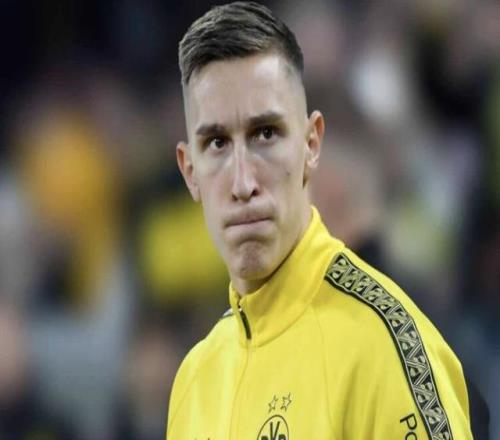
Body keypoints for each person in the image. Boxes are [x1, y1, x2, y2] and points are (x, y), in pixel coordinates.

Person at [166, 2, 478, 438]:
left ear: (311, 145)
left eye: (265, 134)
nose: (243, 182)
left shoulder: (383, 344)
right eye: (217, 143)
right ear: (190, 171)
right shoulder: (194, 381)